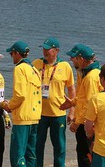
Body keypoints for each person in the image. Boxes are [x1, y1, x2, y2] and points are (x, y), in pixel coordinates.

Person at [32, 36, 76, 167]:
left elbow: (72, 91)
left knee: (59, 147)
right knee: (37, 147)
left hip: (58, 114)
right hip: (39, 113)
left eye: (48, 49)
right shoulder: (36, 64)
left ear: (56, 50)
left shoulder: (65, 66)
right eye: (43, 49)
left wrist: (72, 111)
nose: (45, 52)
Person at [0, 40, 42, 167]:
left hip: (23, 118)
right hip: (35, 117)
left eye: (12, 54)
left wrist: (8, 106)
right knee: (31, 154)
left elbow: (20, 95)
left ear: (17, 53)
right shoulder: (35, 69)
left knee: (17, 155)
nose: (11, 56)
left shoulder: (19, 68)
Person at [65, 43, 103, 167]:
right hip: (87, 120)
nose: (71, 59)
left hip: (88, 123)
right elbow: (83, 97)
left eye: (73, 57)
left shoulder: (91, 77)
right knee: (85, 153)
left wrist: (78, 122)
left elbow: (90, 103)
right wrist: (73, 103)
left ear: (81, 59)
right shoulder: (86, 73)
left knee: (85, 156)